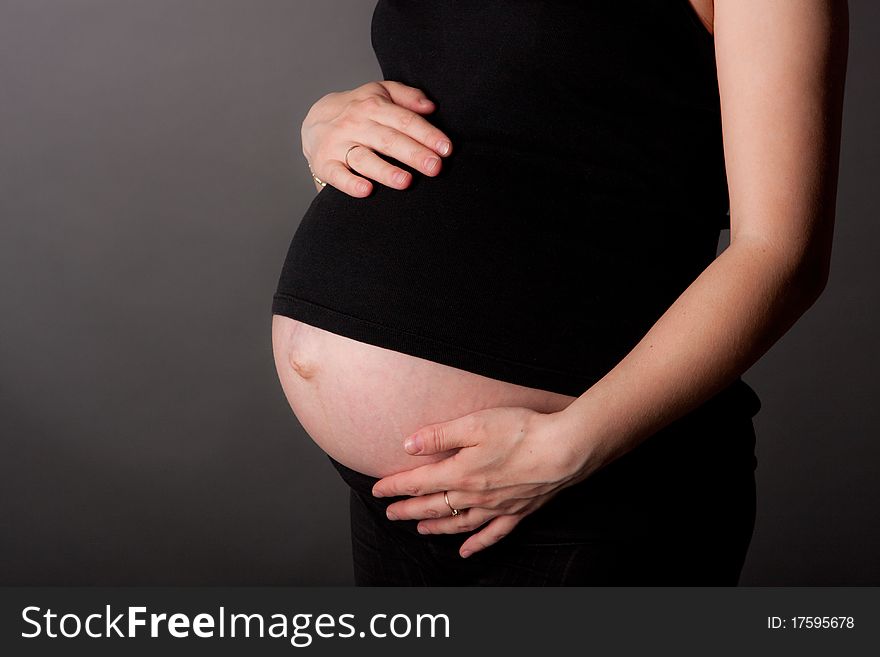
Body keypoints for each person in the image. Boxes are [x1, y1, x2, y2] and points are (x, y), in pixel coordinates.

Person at [270, 0, 848, 585]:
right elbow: (490, 95)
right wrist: (325, 121)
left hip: (587, 492)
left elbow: (781, 255)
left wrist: (564, 451)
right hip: (400, 503)